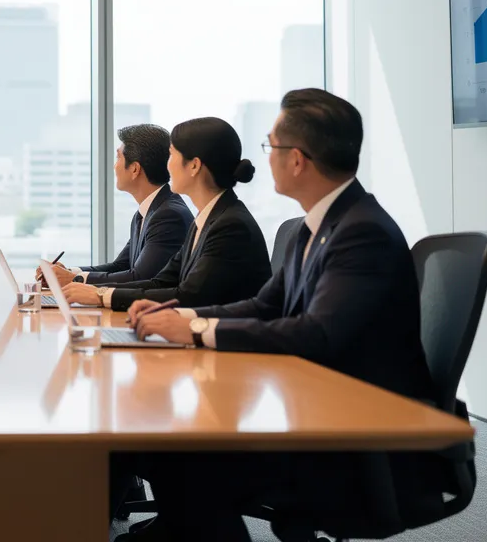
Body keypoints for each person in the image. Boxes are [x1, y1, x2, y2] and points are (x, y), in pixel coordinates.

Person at [120, 90, 438, 541]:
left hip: (353, 435)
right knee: (169, 447)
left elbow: (315, 333)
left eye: (271, 147)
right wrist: (182, 320)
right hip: (314, 406)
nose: (263, 158)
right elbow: (264, 305)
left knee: (183, 454)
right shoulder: (321, 225)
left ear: (298, 160)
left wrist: (193, 327)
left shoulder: (360, 232)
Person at [55, 117, 270, 313]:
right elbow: (161, 282)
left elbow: (188, 295)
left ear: (194, 165)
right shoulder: (206, 219)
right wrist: (95, 291)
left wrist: (99, 294)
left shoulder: (229, 224)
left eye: (173, 155)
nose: (167, 165)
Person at [40, 124, 192, 285]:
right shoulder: (148, 211)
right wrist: (68, 273)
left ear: (135, 169)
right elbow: (121, 266)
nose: (115, 165)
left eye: (118, 157)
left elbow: (141, 277)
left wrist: (74, 279)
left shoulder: (168, 216)